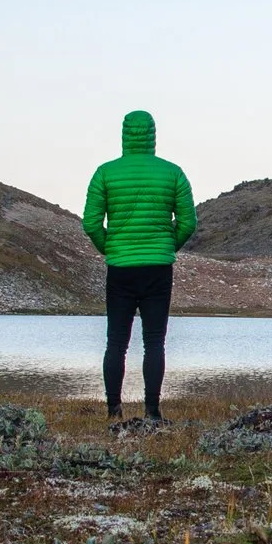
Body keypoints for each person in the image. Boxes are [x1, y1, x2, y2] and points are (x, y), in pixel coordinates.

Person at [80, 109, 197, 423]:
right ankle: (152, 411)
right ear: (153, 135)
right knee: (155, 341)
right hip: (158, 268)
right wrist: (167, 245)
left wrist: (110, 247)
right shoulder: (173, 173)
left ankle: (113, 410)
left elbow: (90, 223)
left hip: (120, 268)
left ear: (123, 135)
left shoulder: (105, 173)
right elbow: (188, 222)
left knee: (116, 341)